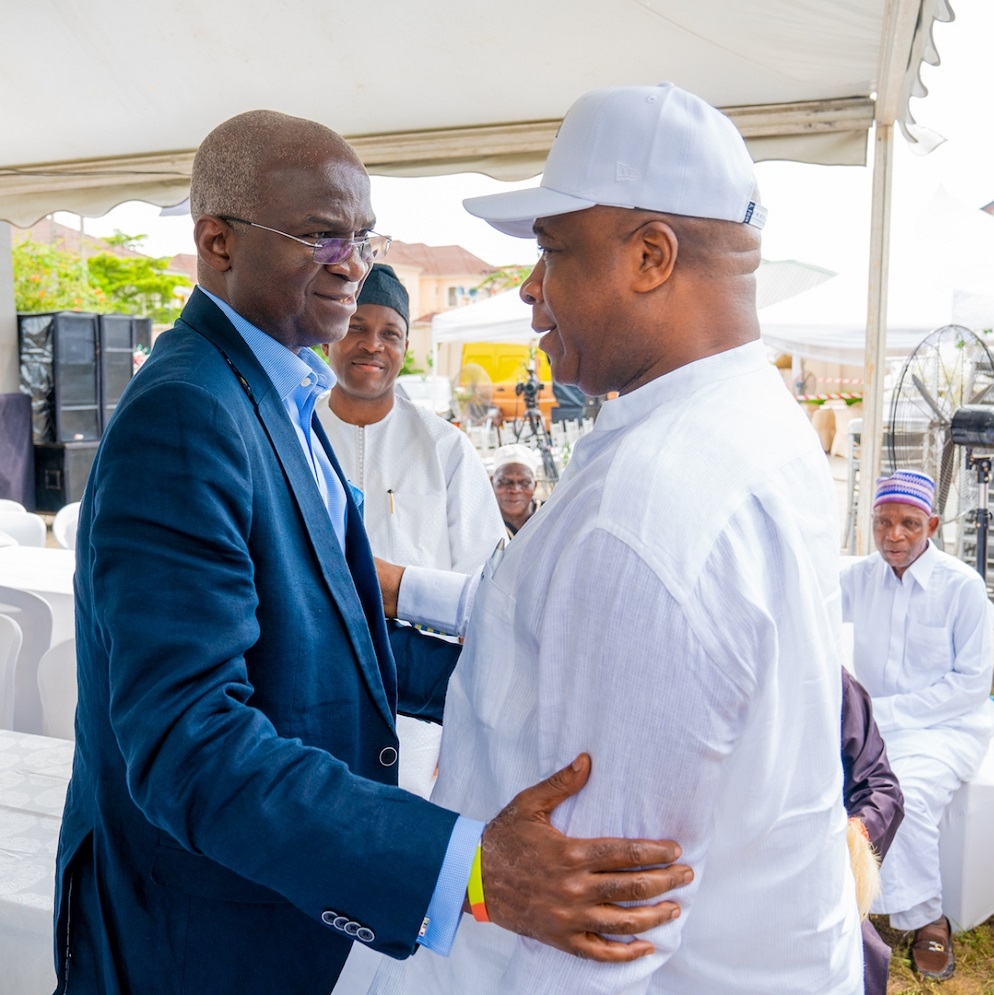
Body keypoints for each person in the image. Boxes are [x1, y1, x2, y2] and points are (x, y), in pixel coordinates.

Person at [51, 108, 693, 995]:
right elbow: (190, 743)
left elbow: (335, 639)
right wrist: (468, 865)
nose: (353, 264)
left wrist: (532, 673)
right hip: (199, 939)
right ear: (217, 241)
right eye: (320, 236)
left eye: (361, 234)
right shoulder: (187, 415)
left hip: (285, 917)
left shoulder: (280, 391)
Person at [369, 82, 863, 994]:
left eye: (552, 250)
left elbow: (596, 939)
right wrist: (402, 587)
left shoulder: (653, 506)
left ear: (649, 256)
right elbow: (548, 612)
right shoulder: (752, 419)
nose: (527, 286)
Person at [316, 262, 505, 799]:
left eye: (389, 333)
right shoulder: (295, 434)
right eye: (356, 326)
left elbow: (483, 583)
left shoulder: (443, 447)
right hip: (314, 689)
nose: (371, 345)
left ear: (405, 346)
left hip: (416, 708)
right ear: (333, 333)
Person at [841, 469, 994, 981]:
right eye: (883, 522)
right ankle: (847, 900)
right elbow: (815, 624)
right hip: (872, 726)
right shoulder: (857, 578)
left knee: (901, 793)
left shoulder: (963, 587)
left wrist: (878, 715)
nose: (894, 535)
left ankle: (928, 917)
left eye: (909, 523)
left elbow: (971, 684)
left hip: (947, 728)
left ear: (930, 523)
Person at [840, 667, 905, 995]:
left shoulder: (832, 683)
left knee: (859, 952)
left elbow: (878, 784)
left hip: (817, 864)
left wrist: (856, 834)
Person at [489, 443, 541, 537]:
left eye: (525, 482)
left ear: (535, 485)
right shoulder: (483, 522)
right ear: (492, 482)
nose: (515, 490)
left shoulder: (549, 514)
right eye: (505, 481)